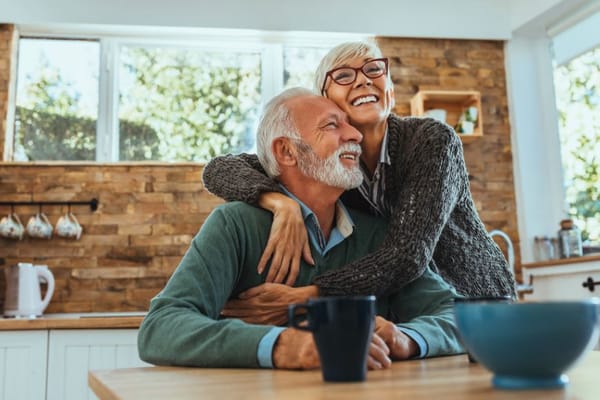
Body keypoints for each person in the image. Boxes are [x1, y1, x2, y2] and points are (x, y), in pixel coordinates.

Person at [137, 87, 463, 369]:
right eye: (332, 125)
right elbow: (161, 327)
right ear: (287, 151)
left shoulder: (379, 235)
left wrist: (407, 337)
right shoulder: (235, 225)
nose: (355, 135)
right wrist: (286, 345)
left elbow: (458, 317)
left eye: (349, 125)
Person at [202, 41, 515, 324]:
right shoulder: (329, 165)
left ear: (389, 90)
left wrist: (308, 295)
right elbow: (220, 169)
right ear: (325, 100)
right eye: (344, 76)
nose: (364, 79)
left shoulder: (432, 141)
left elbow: (408, 254)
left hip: (474, 301)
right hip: (406, 312)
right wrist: (279, 203)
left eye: (374, 69)